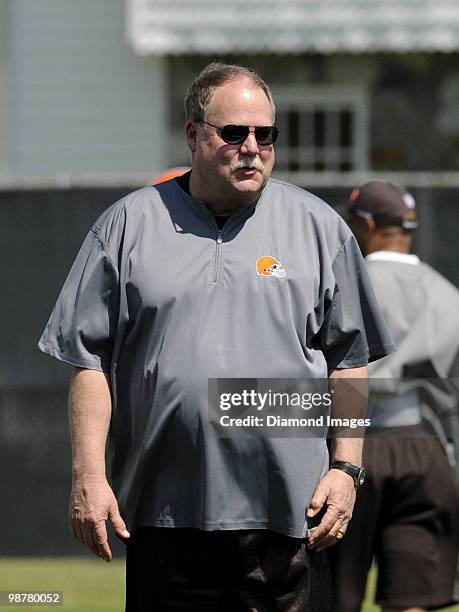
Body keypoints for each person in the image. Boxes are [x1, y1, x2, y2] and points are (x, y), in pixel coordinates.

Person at [38, 63, 393, 611]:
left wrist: (346, 469)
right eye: (234, 133)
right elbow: (89, 362)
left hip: (290, 519)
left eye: (265, 134)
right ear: (193, 134)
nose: (252, 147)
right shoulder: (128, 225)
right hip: (164, 515)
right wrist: (89, 476)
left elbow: (350, 359)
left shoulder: (320, 228)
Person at [329, 180, 459, 612]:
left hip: (354, 447)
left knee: (331, 593)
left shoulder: (346, 280)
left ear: (365, 225)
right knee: (412, 597)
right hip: (425, 448)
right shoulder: (448, 292)